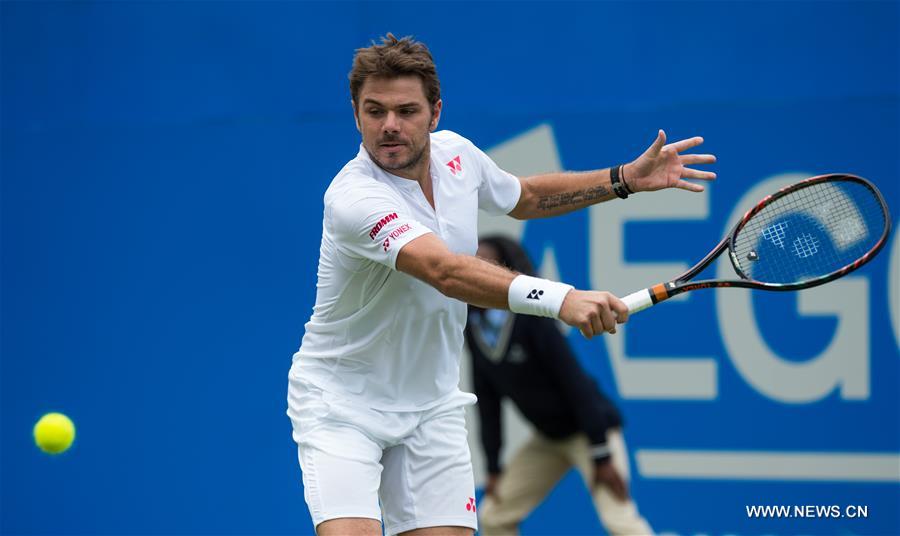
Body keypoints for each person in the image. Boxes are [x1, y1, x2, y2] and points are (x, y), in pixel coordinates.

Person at [286, 32, 715, 536]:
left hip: (430, 407)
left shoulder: (458, 157)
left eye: (406, 110)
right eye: (374, 111)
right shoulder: (353, 198)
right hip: (344, 406)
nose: (389, 126)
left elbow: (527, 197)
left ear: (436, 112)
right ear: (356, 113)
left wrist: (621, 178)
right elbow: (445, 272)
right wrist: (561, 299)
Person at [465, 235, 653, 535]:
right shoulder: (473, 329)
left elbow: (576, 385)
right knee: (494, 517)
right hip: (548, 439)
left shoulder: (531, 321)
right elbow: (488, 404)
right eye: (474, 263)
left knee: (619, 521)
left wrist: (601, 455)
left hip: (592, 432)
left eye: (489, 263)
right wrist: (493, 468)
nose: (481, 271)